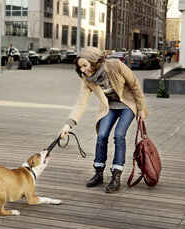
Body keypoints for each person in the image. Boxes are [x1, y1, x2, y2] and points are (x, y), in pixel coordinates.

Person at [60, 46, 148, 193]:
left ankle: (116, 176)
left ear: (95, 62)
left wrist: (141, 109)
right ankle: (99, 173)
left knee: (119, 135)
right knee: (101, 135)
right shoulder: (87, 79)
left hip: (127, 103)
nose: (82, 70)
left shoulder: (115, 65)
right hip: (109, 106)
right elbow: (81, 102)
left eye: (84, 65)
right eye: (80, 67)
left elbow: (135, 85)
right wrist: (68, 126)